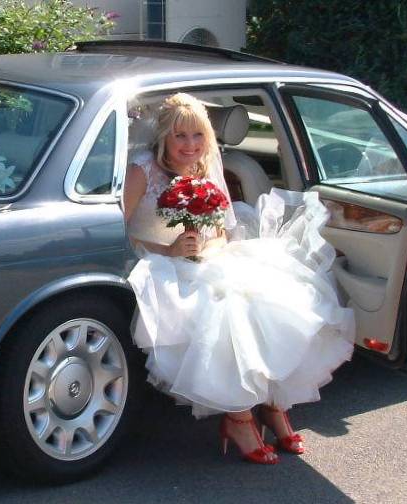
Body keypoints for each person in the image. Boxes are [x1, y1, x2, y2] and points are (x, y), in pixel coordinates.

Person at [122, 93, 356, 465]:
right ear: (164, 136)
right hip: (159, 262)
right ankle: (240, 417)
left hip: (207, 258)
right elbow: (115, 232)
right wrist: (169, 251)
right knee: (228, 308)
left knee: (271, 295)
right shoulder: (143, 170)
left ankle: (274, 404)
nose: (190, 146)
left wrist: (208, 247)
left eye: (198, 136)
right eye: (180, 136)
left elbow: (222, 230)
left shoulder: (204, 168)